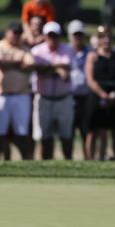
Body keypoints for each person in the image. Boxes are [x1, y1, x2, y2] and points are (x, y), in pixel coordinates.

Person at [0, 21, 35, 160]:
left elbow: (29, 66)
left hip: (20, 94)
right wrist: (18, 63)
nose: (16, 36)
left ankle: (26, 162)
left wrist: (9, 64)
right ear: (7, 32)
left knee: (21, 132)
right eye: (14, 32)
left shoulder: (25, 49)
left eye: (19, 33)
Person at [30, 21, 76, 160]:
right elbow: (39, 71)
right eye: (50, 36)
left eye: (55, 36)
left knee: (66, 136)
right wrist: (57, 68)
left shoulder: (67, 49)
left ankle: (68, 164)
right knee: (44, 137)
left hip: (63, 99)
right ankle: (46, 166)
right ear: (44, 36)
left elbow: (66, 73)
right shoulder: (37, 51)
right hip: (44, 98)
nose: (52, 39)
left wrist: (47, 67)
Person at [83, 25, 115, 161]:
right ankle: (91, 160)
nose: (106, 40)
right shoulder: (93, 56)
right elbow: (90, 79)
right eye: (103, 37)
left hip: (114, 96)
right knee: (93, 131)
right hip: (97, 97)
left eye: (108, 37)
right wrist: (103, 94)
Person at [67, 20, 91, 159]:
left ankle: (88, 161)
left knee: (86, 132)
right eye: (75, 35)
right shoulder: (64, 51)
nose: (78, 37)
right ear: (70, 35)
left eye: (80, 34)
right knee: (68, 133)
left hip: (86, 97)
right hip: (69, 97)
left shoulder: (91, 52)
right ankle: (69, 161)